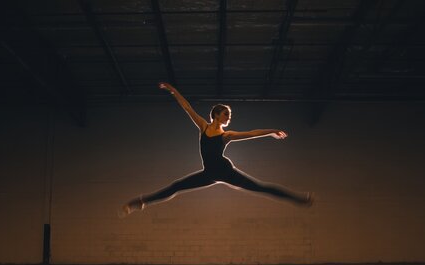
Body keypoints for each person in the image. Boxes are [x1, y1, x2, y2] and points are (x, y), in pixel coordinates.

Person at [119, 82, 313, 217]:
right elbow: (187, 107)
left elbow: (252, 133)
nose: (228, 117)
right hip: (209, 174)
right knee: (176, 186)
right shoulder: (203, 126)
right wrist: (173, 91)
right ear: (216, 115)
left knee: (260, 187)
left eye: (229, 114)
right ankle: (141, 201)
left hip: (225, 171)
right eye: (226, 114)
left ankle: (299, 200)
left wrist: (271, 131)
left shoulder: (226, 135)